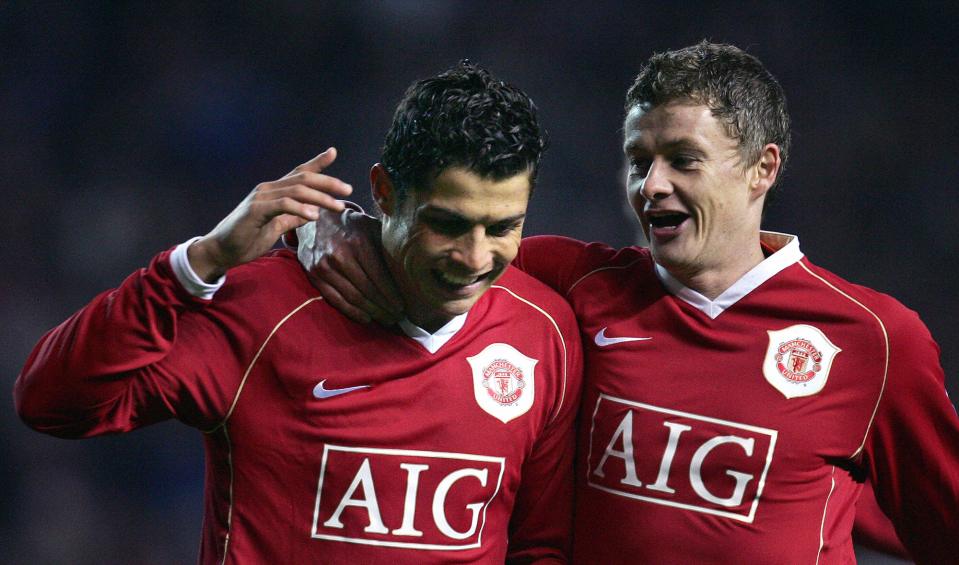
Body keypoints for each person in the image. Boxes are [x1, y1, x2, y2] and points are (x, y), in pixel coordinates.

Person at [297, 42, 959, 563]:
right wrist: (327, 224)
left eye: (681, 159)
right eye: (637, 160)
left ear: (763, 168)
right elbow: (430, 243)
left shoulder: (871, 339)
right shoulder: (578, 286)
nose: (650, 185)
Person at [15, 62, 583, 564]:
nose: (476, 257)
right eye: (449, 224)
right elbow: (52, 403)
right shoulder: (264, 313)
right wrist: (201, 259)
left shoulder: (545, 333)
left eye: (503, 227)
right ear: (383, 193)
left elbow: (540, 546)